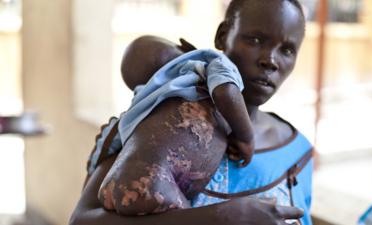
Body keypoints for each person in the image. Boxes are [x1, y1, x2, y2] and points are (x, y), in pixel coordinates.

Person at [69, 0, 313, 224]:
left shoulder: (298, 152)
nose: (270, 60)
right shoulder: (166, 123)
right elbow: (82, 220)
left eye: (288, 50)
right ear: (222, 36)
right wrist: (220, 217)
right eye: (255, 40)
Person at [97, 45, 255, 215]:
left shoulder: (141, 106)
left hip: (115, 182)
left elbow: (108, 142)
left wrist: (93, 168)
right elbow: (226, 91)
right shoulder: (206, 62)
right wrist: (246, 137)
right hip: (155, 181)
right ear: (184, 48)